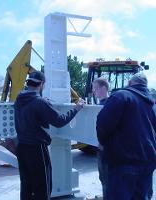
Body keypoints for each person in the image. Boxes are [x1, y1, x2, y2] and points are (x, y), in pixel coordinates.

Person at [14, 70, 85, 200]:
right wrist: (76, 108)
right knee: (42, 187)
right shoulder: (39, 102)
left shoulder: (19, 99)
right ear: (41, 84)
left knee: (26, 184)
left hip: (22, 147)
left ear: (29, 82)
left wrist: (42, 102)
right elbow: (59, 121)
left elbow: (32, 113)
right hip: (36, 149)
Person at [96, 72, 156, 200]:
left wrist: (102, 143)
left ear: (129, 83)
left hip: (123, 162)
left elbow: (103, 124)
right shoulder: (152, 104)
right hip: (148, 161)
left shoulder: (120, 96)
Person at [92, 77, 109, 200]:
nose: (93, 91)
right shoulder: (99, 105)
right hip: (101, 148)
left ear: (103, 88)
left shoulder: (109, 105)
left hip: (106, 149)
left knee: (107, 177)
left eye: (95, 88)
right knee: (103, 177)